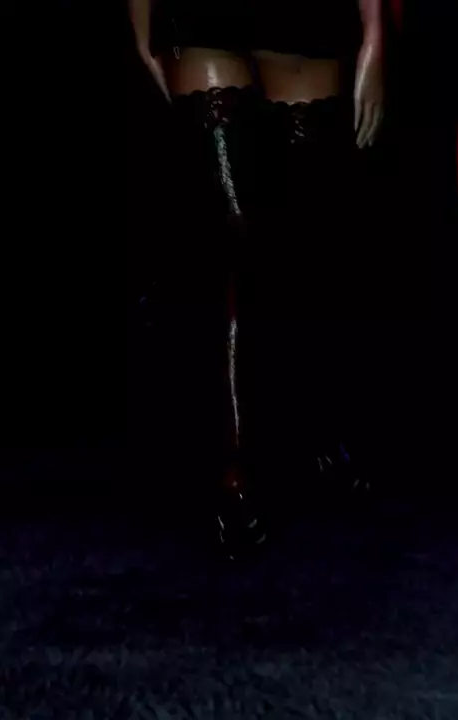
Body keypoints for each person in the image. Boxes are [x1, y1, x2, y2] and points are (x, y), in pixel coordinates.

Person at [129, 0, 385, 559]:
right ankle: (234, 471)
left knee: (302, 242)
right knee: (235, 238)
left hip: (302, 20)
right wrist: (140, 24)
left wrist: (375, 30)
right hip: (204, 20)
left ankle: (312, 439)